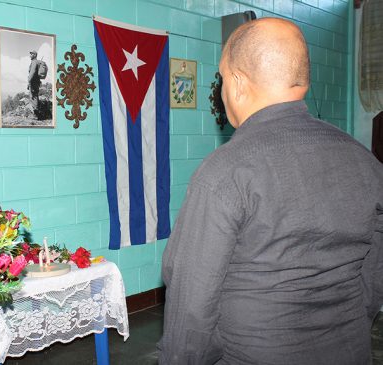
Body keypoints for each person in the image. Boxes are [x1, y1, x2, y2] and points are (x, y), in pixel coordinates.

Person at [158, 17, 383, 365]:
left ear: (237, 82)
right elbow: (373, 280)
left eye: (221, 78)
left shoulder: (225, 172)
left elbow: (191, 308)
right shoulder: (365, 163)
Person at [27, 50, 41, 119]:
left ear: (35, 55)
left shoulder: (34, 62)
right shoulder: (36, 62)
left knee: (33, 97)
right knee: (34, 96)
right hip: (35, 82)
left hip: (33, 83)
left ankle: (36, 115)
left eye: (31, 54)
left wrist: (29, 82)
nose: (30, 55)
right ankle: (36, 114)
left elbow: (32, 73)